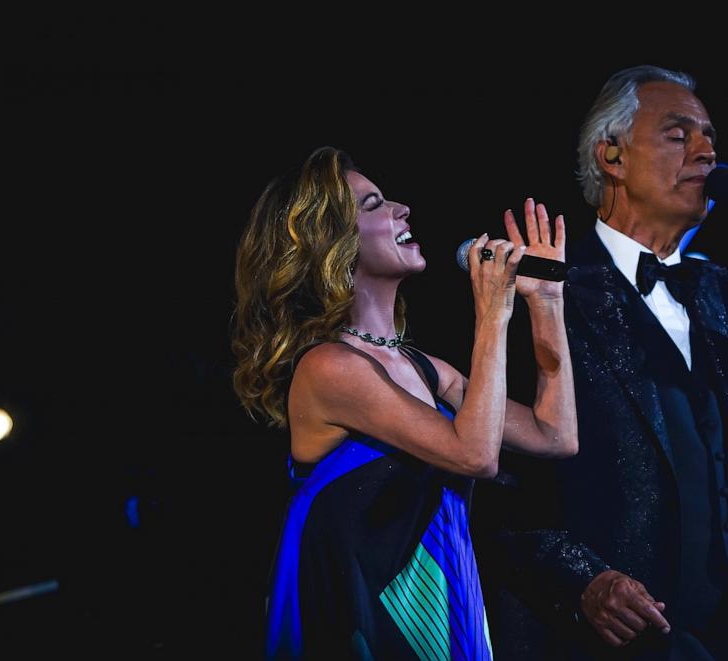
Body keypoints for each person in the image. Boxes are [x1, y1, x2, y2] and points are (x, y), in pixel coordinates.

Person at [496, 65, 728, 660]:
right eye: (678, 135)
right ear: (611, 155)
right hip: (625, 641)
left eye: (710, 136)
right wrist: (583, 580)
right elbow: (499, 487)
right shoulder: (545, 293)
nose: (707, 151)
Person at [230, 146, 578, 659]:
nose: (401, 209)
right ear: (332, 244)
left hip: (447, 602)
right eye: (372, 205)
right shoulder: (327, 367)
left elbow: (557, 435)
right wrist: (492, 313)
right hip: (375, 620)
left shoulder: (425, 370)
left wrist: (546, 303)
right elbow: (476, 455)